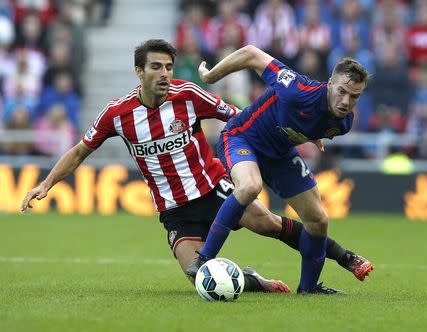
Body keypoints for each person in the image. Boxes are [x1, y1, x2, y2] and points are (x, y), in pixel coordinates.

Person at [21, 39, 372, 295]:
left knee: (267, 223)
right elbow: (81, 151)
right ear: (138, 72)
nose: (164, 74)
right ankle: (253, 281)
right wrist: (47, 183)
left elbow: (238, 118)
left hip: (213, 185)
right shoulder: (117, 114)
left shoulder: (189, 95)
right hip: (174, 209)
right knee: (199, 279)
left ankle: (342, 257)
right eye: (156, 67)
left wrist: (292, 132)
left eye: (169, 67)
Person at [186, 44, 371, 294]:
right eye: (342, 91)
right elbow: (252, 53)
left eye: (355, 96)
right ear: (329, 84)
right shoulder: (297, 88)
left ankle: (309, 289)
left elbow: (307, 123)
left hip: (280, 155)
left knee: (318, 220)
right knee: (250, 186)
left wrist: (312, 136)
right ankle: (203, 259)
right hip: (242, 137)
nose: (346, 101)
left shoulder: (344, 123)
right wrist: (211, 76)